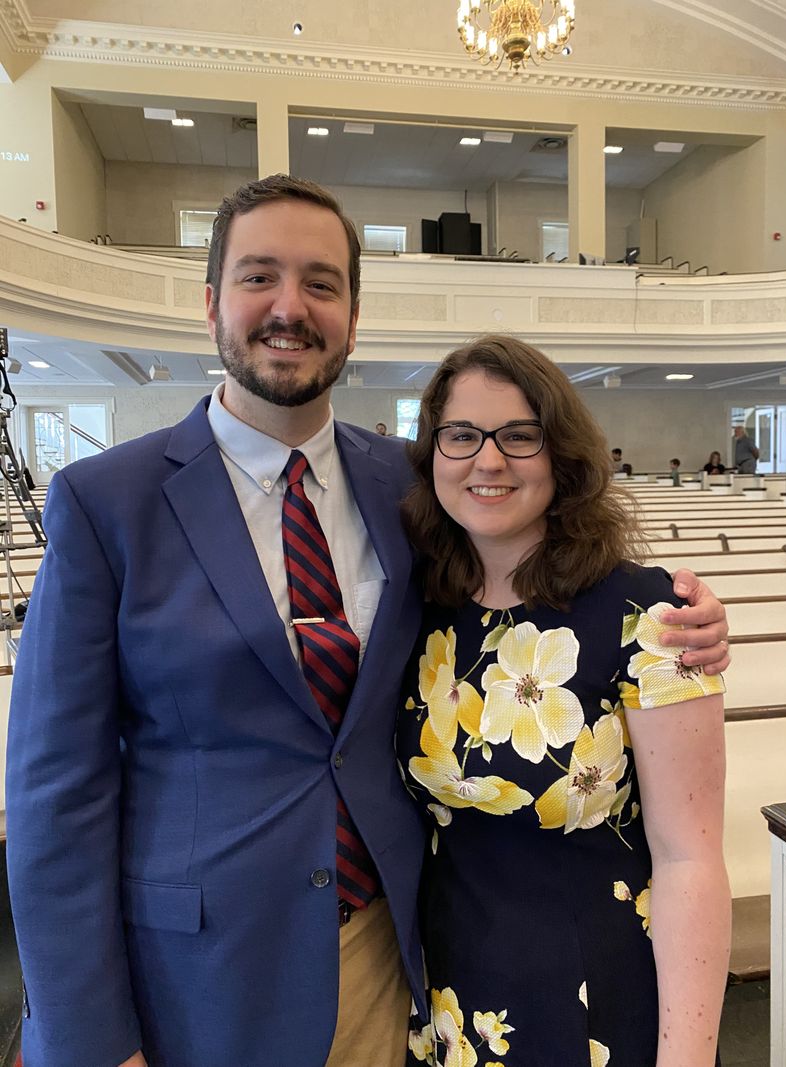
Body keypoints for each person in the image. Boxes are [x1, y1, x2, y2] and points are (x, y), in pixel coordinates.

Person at [6, 178, 730, 1067]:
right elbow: (57, 794)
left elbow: (523, 596)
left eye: (321, 283)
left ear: (352, 317)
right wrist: (88, 1041)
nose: (290, 307)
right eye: (259, 276)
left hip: (396, 966)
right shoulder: (107, 502)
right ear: (210, 303)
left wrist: (679, 617)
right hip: (196, 982)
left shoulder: (410, 486)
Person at [399, 335, 730, 1067]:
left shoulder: (650, 615)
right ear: (433, 455)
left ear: (562, 454)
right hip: (450, 993)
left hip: (595, 995)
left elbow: (691, 859)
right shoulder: (422, 607)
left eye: (520, 436)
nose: (489, 460)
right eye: (462, 435)